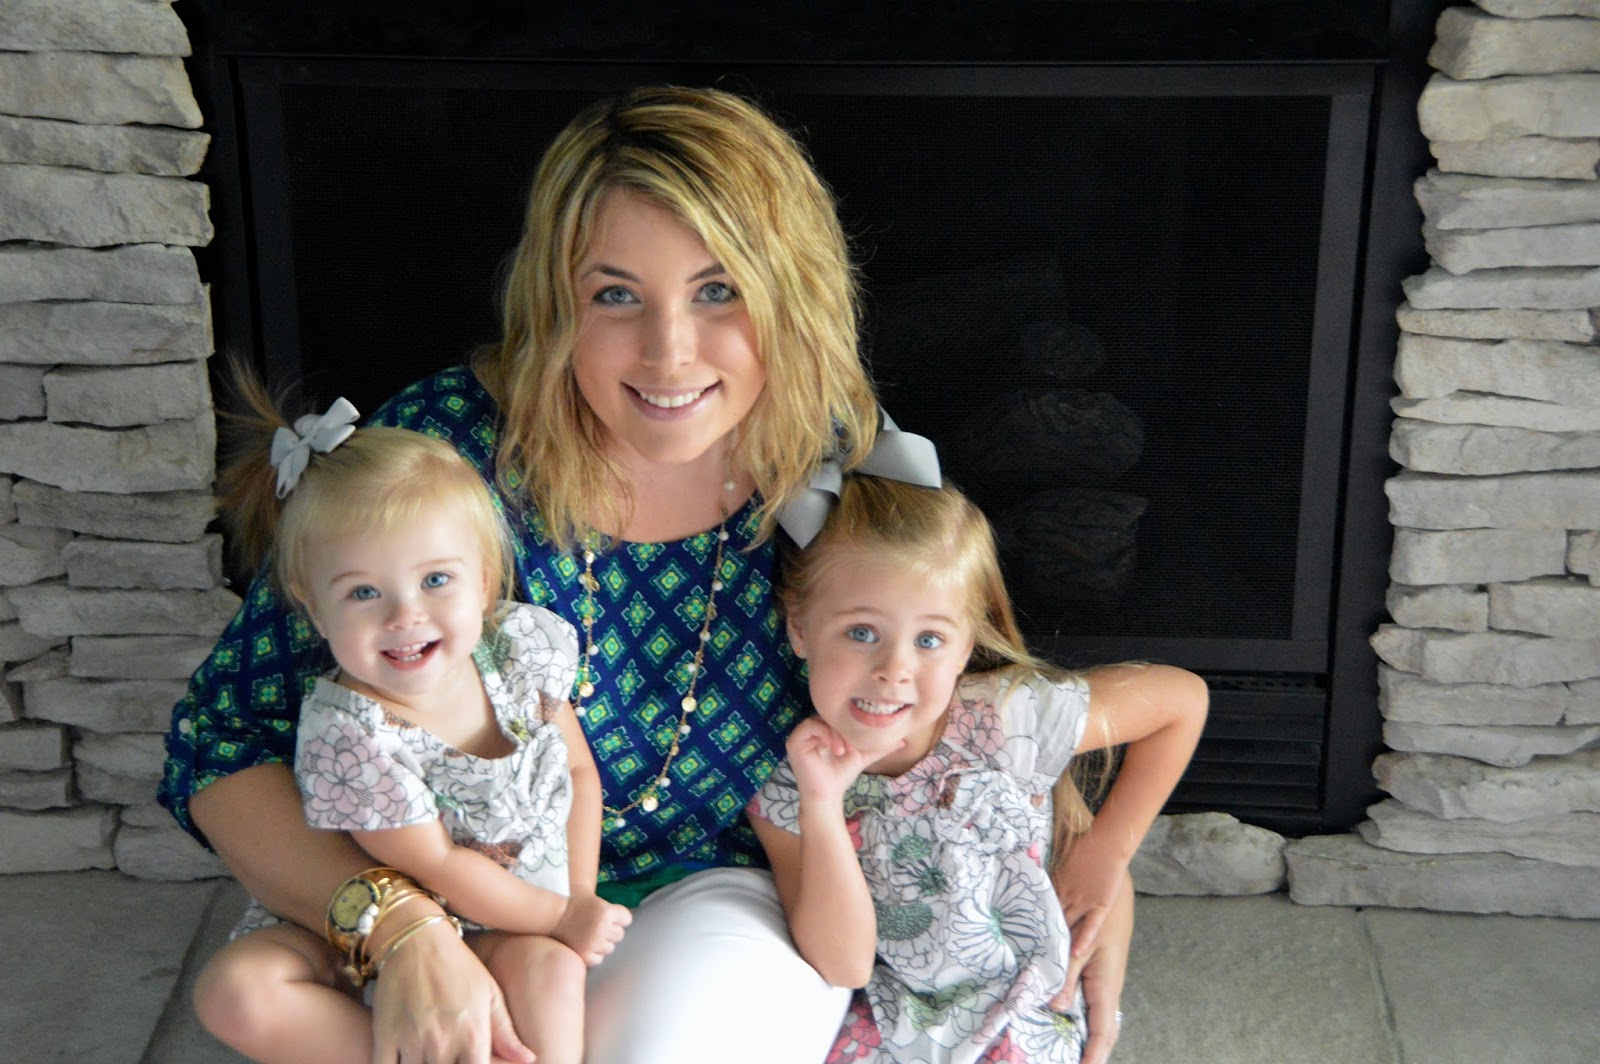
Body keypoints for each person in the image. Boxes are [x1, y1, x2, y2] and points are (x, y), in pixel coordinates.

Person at [159, 84, 1138, 1064]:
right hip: (448, 882)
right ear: (556, 302)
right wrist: (398, 926)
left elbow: (953, 685)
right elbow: (224, 737)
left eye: (718, 290)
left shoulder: (832, 459)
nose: (670, 353)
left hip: (713, 893)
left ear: (788, 291)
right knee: (260, 997)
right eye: (615, 295)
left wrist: (1096, 857)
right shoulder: (442, 454)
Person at [189, 382, 631, 1064]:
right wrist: (563, 915)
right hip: (375, 933)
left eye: (435, 580)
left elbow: (577, 771)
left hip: (509, 925)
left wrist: (575, 898)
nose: (404, 615)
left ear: (485, 580)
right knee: (237, 991)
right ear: (312, 607)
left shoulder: (524, 651)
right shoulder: (350, 736)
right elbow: (436, 864)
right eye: (363, 592)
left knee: (551, 972)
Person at [749, 475, 1208, 1063]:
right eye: (862, 633)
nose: (895, 668)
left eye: (930, 640)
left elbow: (1181, 700)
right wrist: (821, 804)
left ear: (966, 646)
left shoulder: (1005, 719)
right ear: (799, 627)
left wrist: (1106, 854)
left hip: (1023, 1016)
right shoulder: (787, 786)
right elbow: (845, 965)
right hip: (886, 1030)